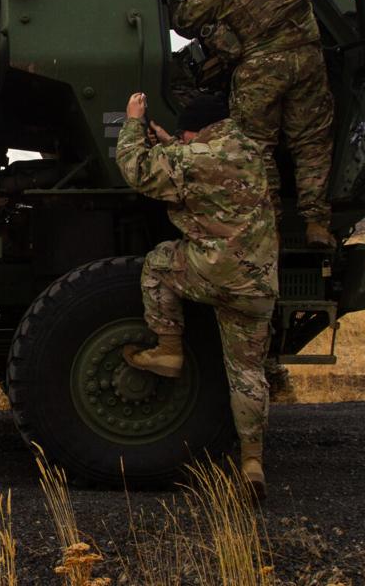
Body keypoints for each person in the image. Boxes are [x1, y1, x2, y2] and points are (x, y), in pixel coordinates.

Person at [116, 92, 278, 499]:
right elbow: (205, 161)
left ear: (195, 130)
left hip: (213, 274)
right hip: (258, 286)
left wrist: (133, 122)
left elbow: (137, 169)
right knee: (248, 374)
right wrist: (173, 142)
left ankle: (168, 350)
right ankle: (252, 462)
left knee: (158, 263)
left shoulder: (190, 159)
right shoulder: (252, 153)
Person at [168, 0, 336, 248]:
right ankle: (316, 223)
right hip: (308, 54)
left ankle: (270, 228)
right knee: (311, 140)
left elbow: (185, 19)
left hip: (263, 65)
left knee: (257, 147)